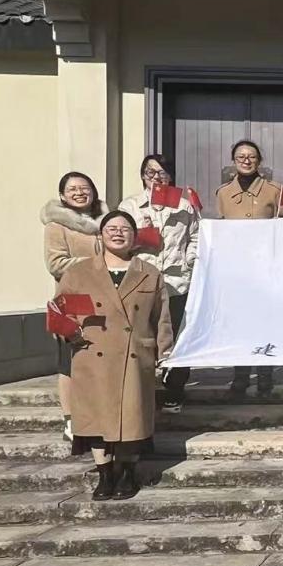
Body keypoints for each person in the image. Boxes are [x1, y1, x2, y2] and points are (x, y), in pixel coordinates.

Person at [55, 210, 173, 501]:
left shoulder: (149, 273)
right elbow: (61, 310)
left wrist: (164, 353)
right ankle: (105, 474)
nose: (118, 233)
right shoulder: (79, 273)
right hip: (92, 353)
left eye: (125, 229)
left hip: (134, 355)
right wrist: (68, 331)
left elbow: (161, 319)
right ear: (101, 235)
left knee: (132, 418)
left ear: (134, 237)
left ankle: (127, 473)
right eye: (111, 228)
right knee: (96, 418)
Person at [118, 155, 200, 413]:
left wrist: (189, 261)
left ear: (170, 176)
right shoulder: (130, 205)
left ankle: (174, 390)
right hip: (142, 280)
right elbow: (117, 238)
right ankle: (140, 391)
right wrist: (140, 239)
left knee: (176, 336)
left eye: (162, 172)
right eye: (150, 172)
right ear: (143, 176)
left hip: (177, 281)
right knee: (142, 335)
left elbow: (196, 237)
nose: (156, 178)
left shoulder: (184, 206)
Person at [41, 171, 107, 441]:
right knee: (70, 362)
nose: (80, 193)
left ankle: (97, 412)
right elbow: (55, 264)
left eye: (84, 187)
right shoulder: (57, 225)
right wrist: (97, 265)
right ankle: (70, 417)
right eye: (73, 189)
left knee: (100, 359)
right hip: (73, 300)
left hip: (105, 300)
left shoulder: (107, 221)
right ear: (62, 196)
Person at [215, 139, 283, 397]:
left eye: (251, 156)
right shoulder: (223, 193)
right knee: (239, 323)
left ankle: (265, 374)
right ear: (234, 161)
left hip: (267, 266)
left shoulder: (275, 190)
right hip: (237, 269)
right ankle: (240, 375)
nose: (246, 160)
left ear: (259, 161)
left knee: (266, 321)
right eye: (241, 157)